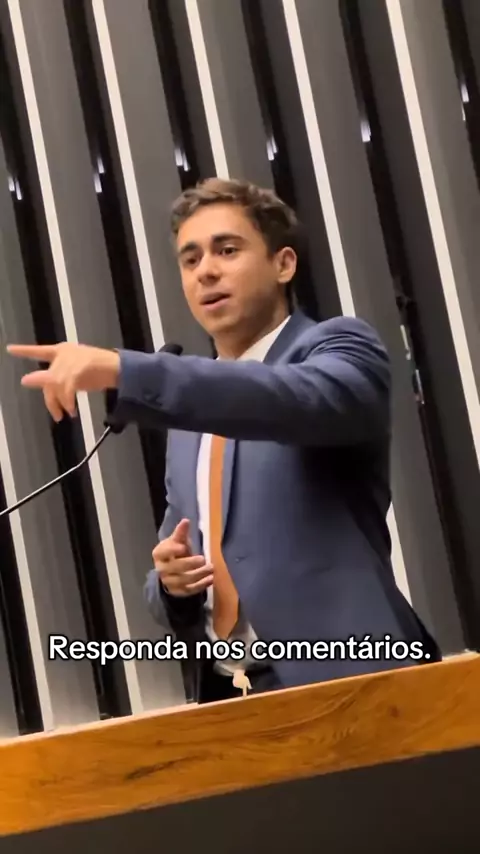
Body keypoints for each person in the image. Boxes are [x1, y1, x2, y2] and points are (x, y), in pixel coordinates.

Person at [7, 177, 441, 704]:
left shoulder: (338, 348)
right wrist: (171, 583)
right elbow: (176, 573)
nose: (206, 271)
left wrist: (126, 369)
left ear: (284, 264)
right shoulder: (190, 420)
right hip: (232, 699)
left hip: (354, 682)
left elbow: (282, 398)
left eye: (227, 250)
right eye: (190, 260)